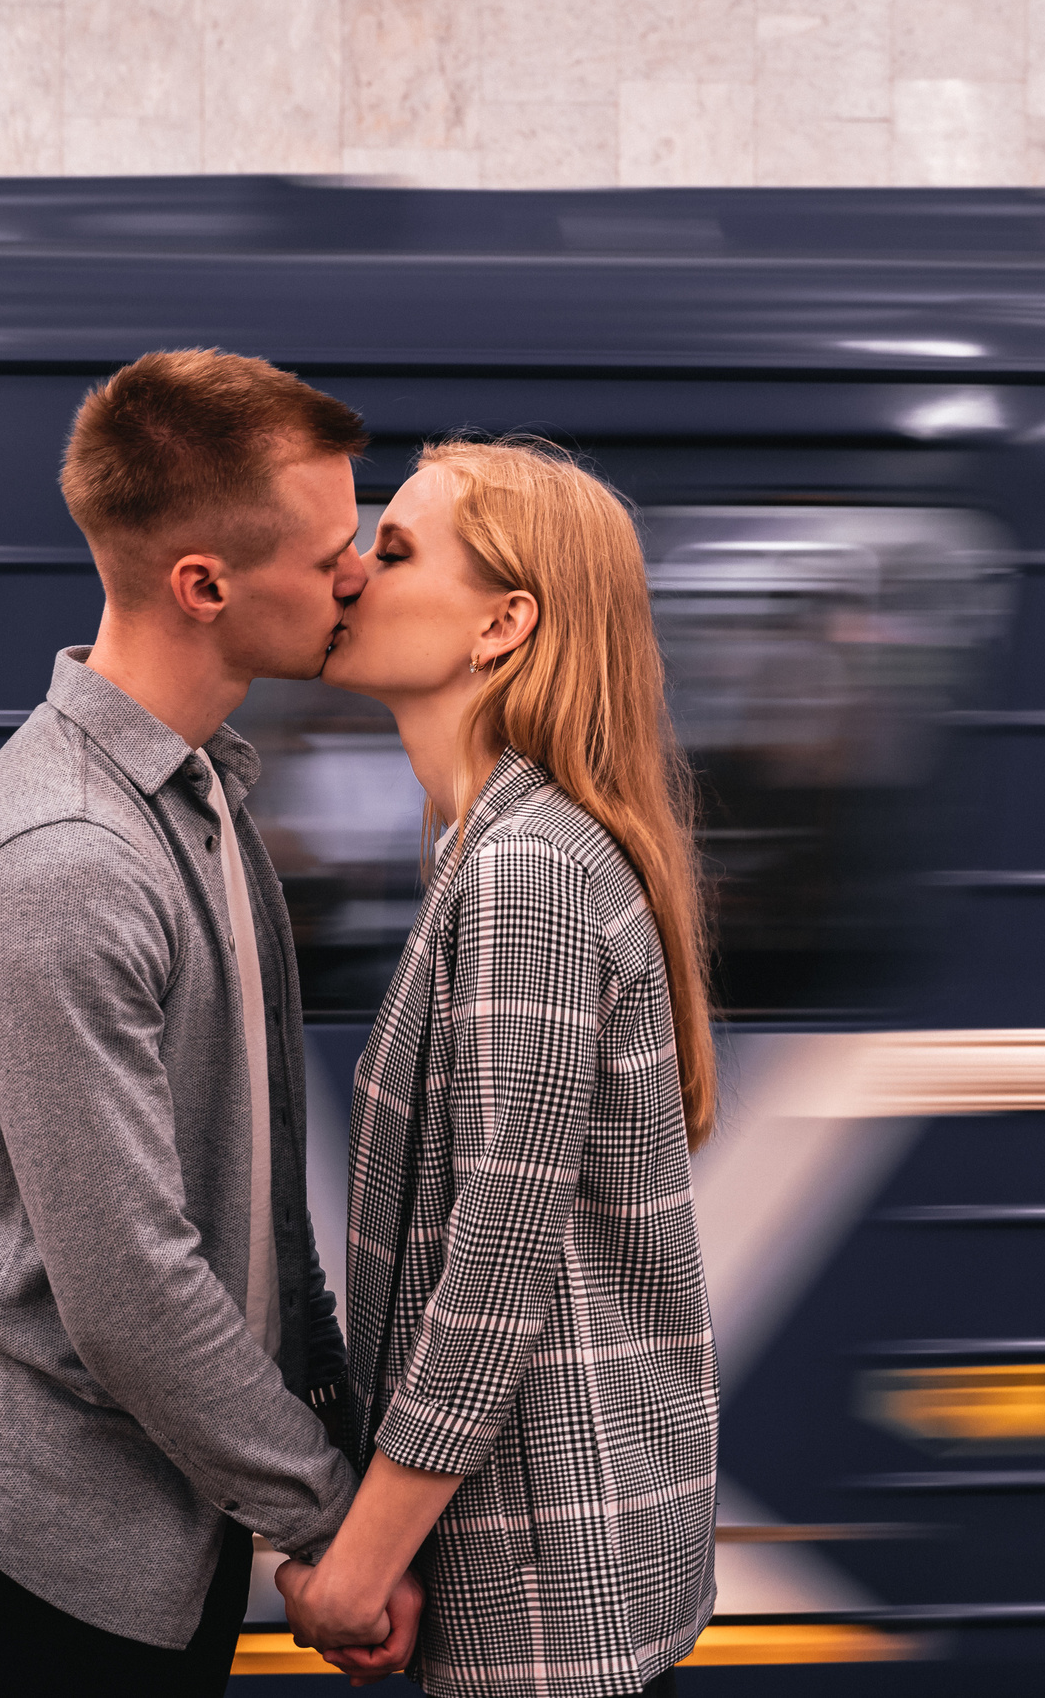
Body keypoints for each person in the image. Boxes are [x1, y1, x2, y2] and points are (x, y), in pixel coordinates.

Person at [0, 349, 421, 1694]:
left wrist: (327, 1451)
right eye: (332, 552)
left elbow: (249, 1196)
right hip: (42, 1565)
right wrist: (329, 1518)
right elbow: (128, 1288)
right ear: (205, 584)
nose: (358, 576)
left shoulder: (203, 794)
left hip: (150, 1539)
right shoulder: (66, 858)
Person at [278, 437, 721, 1697]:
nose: (351, 572)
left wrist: (362, 1561)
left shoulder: (525, 873)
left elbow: (495, 1262)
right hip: (552, 1549)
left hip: (544, 1574)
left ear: (504, 625)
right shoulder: (496, 850)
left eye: (396, 549)